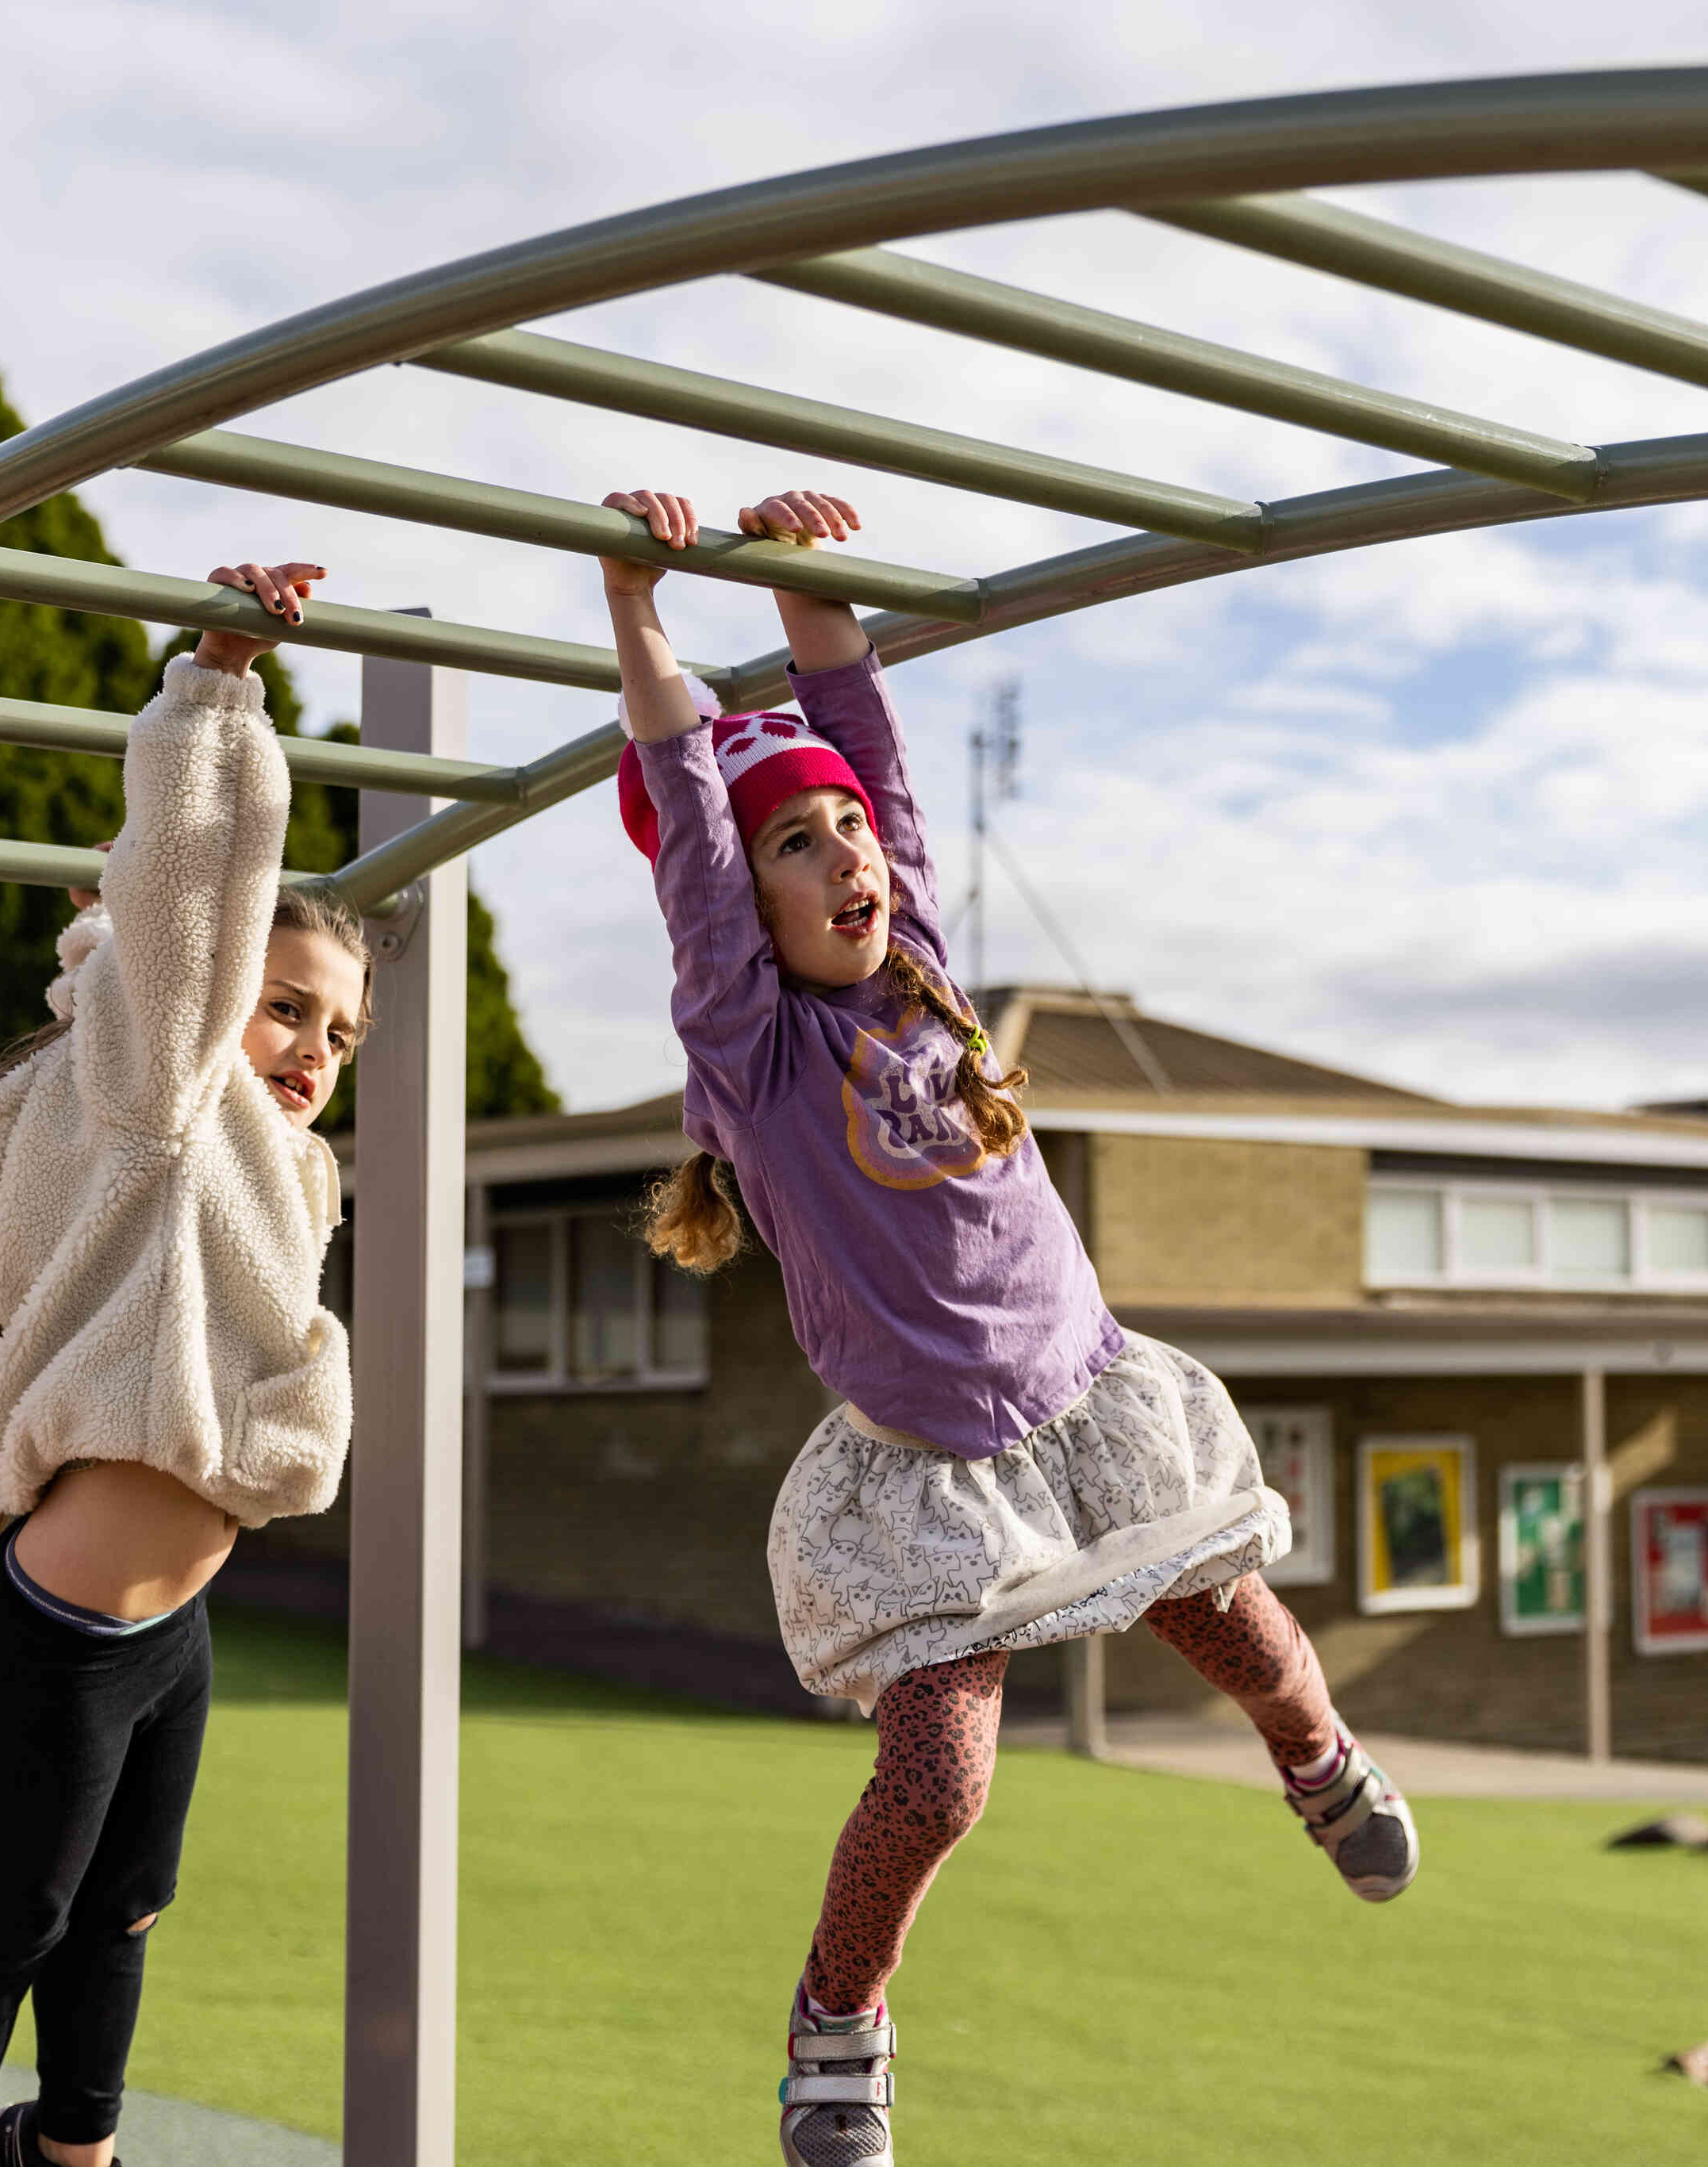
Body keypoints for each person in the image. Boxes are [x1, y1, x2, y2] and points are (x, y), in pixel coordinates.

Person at [603, 483, 1418, 2167]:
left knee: (1252, 1647)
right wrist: (643, 618)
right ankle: (840, 2019)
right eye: (791, 847)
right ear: (732, 913)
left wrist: (811, 589)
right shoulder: (756, 1052)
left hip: (1094, 1407)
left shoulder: (927, 980)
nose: (844, 863)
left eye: (848, 842)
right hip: (934, 1475)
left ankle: (1321, 1760)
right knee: (939, 1782)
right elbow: (691, 828)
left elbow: (866, 743)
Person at [0, 560, 368, 2167]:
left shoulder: (290, 1176)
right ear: (210, 1005)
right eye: (285, 1010)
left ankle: (68, 2152)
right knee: (16, 1920)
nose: (309, 1053)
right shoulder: (158, 1093)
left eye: (339, 1033)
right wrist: (213, 686)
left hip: (171, 1638)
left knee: (122, 1918)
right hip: (50, 1641)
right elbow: (182, 893)